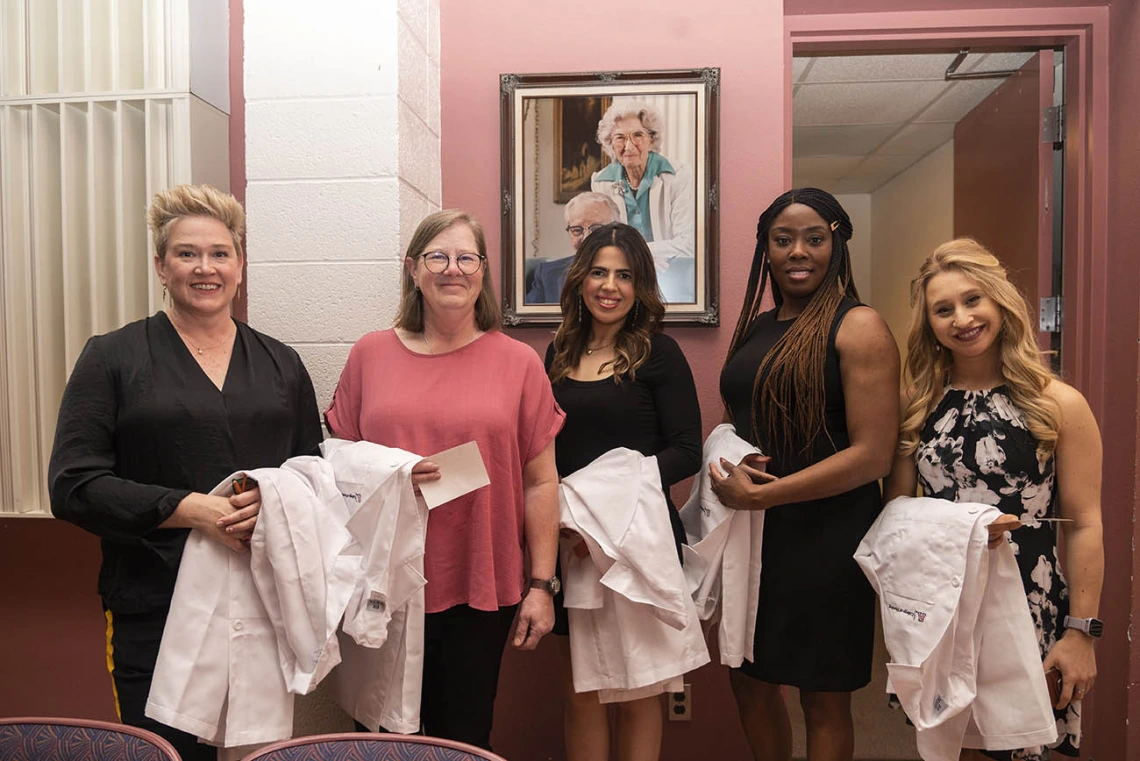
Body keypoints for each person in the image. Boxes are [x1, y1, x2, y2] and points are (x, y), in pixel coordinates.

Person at [48, 184, 323, 760]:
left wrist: (276, 504)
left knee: (258, 753)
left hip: (263, 602)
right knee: (165, 752)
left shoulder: (281, 363)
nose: (206, 268)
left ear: (240, 266)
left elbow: (311, 474)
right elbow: (73, 485)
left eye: (220, 254)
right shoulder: (113, 358)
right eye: (187, 253)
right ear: (160, 266)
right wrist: (191, 510)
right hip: (155, 606)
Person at [324, 209, 564, 750]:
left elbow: (541, 482)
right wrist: (391, 475)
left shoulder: (519, 363)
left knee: (463, 737)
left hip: (479, 582)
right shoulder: (370, 354)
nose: (451, 269)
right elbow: (333, 462)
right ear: (413, 269)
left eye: (465, 257)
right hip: (381, 580)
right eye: (437, 256)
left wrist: (541, 585)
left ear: (482, 271)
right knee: (380, 738)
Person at [883, 239, 1104, 761]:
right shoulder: (916, 405)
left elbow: (1085, 523)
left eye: (973, 300)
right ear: (929, 324)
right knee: (947, 745)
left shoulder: (1058, 403)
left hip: (1030, 600)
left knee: (1018, 748)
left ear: (1001, 302)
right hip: (944, 603)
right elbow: (894, 514)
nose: (961, 318)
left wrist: (1082, 634)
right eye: (943, 309)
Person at [709, 188, 899, 761]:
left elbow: (872, 456)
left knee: (823, 695)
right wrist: (731, 463)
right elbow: (739, 414)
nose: (799, 251)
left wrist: (767, 497)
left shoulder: (858, 326)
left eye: (815, 239)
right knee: (748, 678)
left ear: (837, 244)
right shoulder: (758, 327)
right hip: (754, 531)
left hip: (828, 535)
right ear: (765, 249)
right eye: (783, 239)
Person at [544, 223, 702, 761]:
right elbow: (546, 457)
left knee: (639, 692)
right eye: (599, 272)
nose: (609, 285)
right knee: (580, 693)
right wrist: (568, 523)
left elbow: (685, 452)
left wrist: (602, 520)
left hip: (638, 541)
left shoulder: (659, 353)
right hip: (571, 547)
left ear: (640, 286)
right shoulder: (558, 355)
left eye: (624, 275)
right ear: (580, 279)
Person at [591, 98, 695, 302]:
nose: (628, 145)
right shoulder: (601, 182)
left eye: (637, 135)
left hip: (670, 275)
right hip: (623, 278)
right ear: (610, 143)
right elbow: (604, 245)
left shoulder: (678, 175)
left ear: (651, 139)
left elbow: (688, 244)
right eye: (620, 137)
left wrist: (639, 253)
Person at [525, 192, 620, 304]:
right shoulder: (547, 275)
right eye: (577, 230)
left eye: (596, 229)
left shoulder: (635, 272)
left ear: (616, 229)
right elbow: (529, 319)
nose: (586, 238)